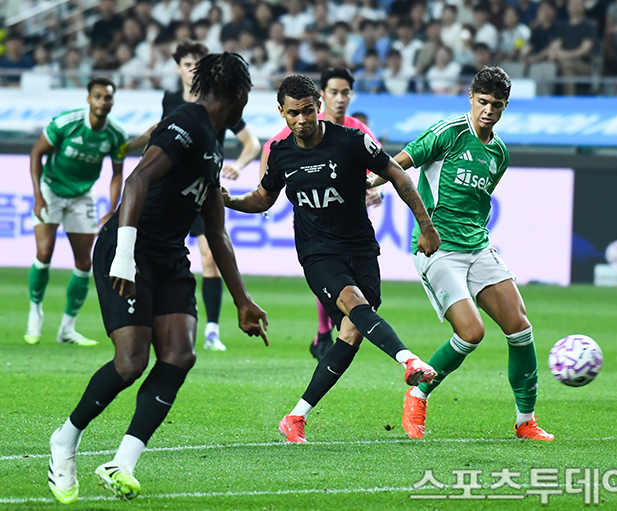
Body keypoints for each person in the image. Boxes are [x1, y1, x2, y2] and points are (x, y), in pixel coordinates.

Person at [47, 53, 269, 505]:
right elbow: (137, 182)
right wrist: (124, 255)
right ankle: (65, 440)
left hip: (169, 256)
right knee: (131, 362)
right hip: (130, 249)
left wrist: (242, 300)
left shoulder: (214, 142)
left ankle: (122, 463)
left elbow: (216, 229)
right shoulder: (186, 120)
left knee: (180, 354)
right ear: (238, 94)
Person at [223, 74, 440, 444]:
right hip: (317, 252)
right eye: (293, 113)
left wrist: (426, 225)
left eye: (308, 111)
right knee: (353, 303)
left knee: (352, 332)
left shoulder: (351, 141)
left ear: (318, 107)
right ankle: (408, 360)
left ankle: (295, 417)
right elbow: (263, 197)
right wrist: (231, 201)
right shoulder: (281, 152)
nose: (302, 120)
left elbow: (397, 174)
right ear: (281, 112)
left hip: (361, 249)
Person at [375, 66, 554, 442]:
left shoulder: (499, 153)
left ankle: (526, 421)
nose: (488, 110)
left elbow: (478, 205)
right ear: (470, 98)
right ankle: (418, 393)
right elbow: (397, 163)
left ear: (505, 107)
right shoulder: (449, 132)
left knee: (520, 328)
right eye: (483, 101)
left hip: (478, 246)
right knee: (471, 332)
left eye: (497, 105)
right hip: (438, 248)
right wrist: (369, 184)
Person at [127, 40, 261, 352]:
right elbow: (151, 149)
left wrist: (238, 166)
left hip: (201, 187)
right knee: (135, 361)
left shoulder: (220, 113)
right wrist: (130, 147)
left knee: (209, 257)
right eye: (187, 64)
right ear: (179, 69)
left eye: (197, 65)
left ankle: (212, 329)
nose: (192, 70)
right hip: (167, 198)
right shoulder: (177, 107)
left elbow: (252, 143)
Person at [259, 66, 383, 362]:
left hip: (350, 216)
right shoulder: (303, 124)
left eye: (345, 93)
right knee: (330, 270)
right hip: (316, 219)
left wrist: (374, 186)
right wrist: (263, 192)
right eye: (334, 92)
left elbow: (381, 165)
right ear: (322, 97)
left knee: (353, 284)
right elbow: (271, 148)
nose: (340, 99)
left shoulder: (356, 130)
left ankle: (335, 332)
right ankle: (324, 331)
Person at [26, 77, 127, 347]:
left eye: (107, 97)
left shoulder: (116, 134)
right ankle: (35, 315)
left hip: (82, 196)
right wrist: (38, 195)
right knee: (44, 252)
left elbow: (117, 174)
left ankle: (67, 330)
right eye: (98, 96)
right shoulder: (66, 123)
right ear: (88, 99)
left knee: (84, 262)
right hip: (51, 190)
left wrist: (112, 208)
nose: (102, 102)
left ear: (112, 102)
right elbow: (36, 153)